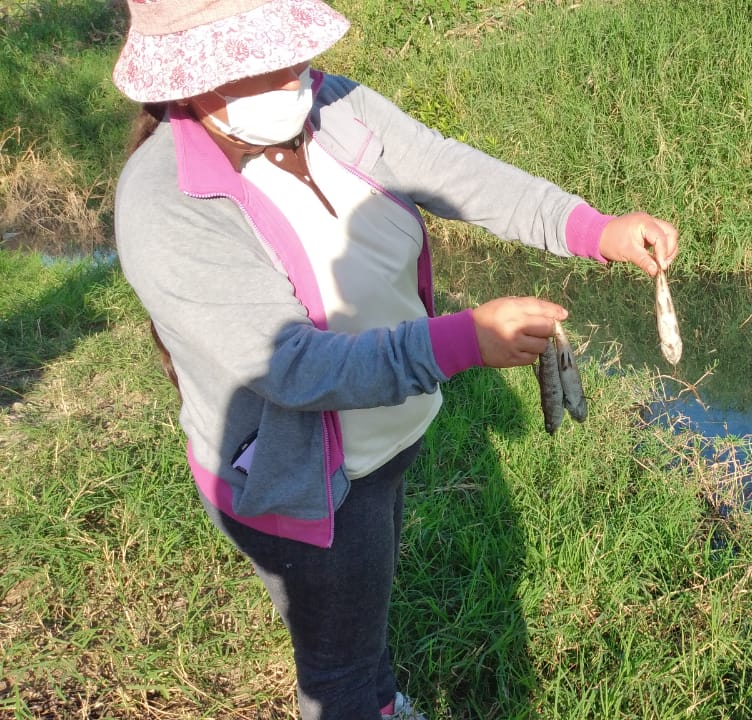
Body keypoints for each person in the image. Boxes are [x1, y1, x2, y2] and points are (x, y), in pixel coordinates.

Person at [109, 0, 678, 717]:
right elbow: (291, 367)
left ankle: (383, 700)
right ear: (188, 79)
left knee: (358, 611)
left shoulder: (337, 108)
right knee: (336, 669)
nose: (291, 77)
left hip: (382, 441)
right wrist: (461, 342)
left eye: (293, 53)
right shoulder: (166, 200)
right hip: (298, 478)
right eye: (257, 64)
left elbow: (457, 172)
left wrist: (591, 228)